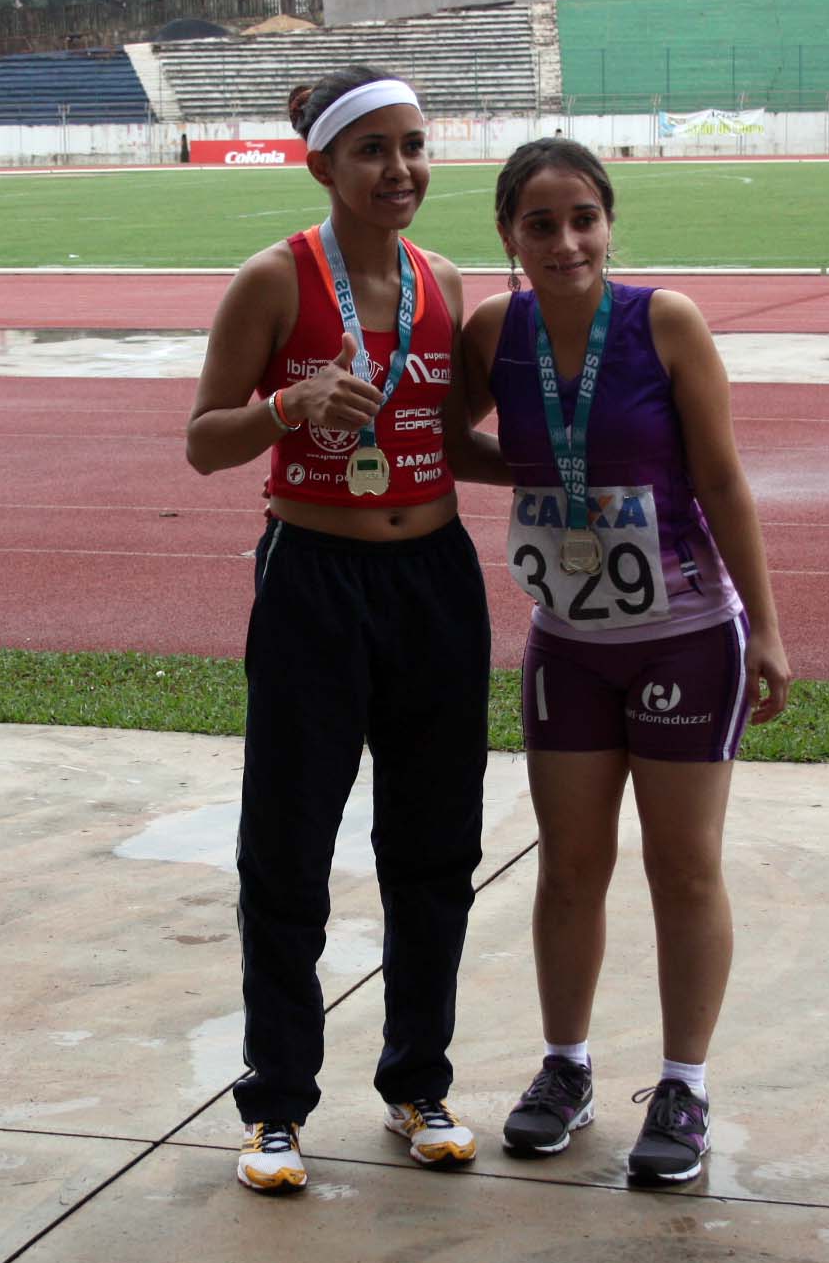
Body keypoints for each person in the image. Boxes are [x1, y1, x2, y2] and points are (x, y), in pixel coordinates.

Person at [186, 65, 506, 1194]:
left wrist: (576, 464)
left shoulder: (443, 281)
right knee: (288, 847)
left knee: (435, 845)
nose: (399, 169)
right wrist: (289, 405)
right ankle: (275, 1103)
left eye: (413, 145)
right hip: (314, 580)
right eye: (372, 150)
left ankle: (418, 1083)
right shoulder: (274, 280)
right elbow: (204, 441)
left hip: (435, 580)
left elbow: (455, 442)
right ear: (321, 164)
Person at [462, 138, 790, 1185]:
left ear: (608, 224)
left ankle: (683, 1086)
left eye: (584, 218)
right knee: (568, 865)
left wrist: (767, 626)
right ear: (508, 235)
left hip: (687, 633)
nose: (565, 241)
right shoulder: (493, 331)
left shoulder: (664, 322)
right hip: (567, 640)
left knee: (681, 866)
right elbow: (444, 435)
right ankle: (565, 1068)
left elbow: (721, 478)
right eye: (540, 223)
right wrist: (538, 470)